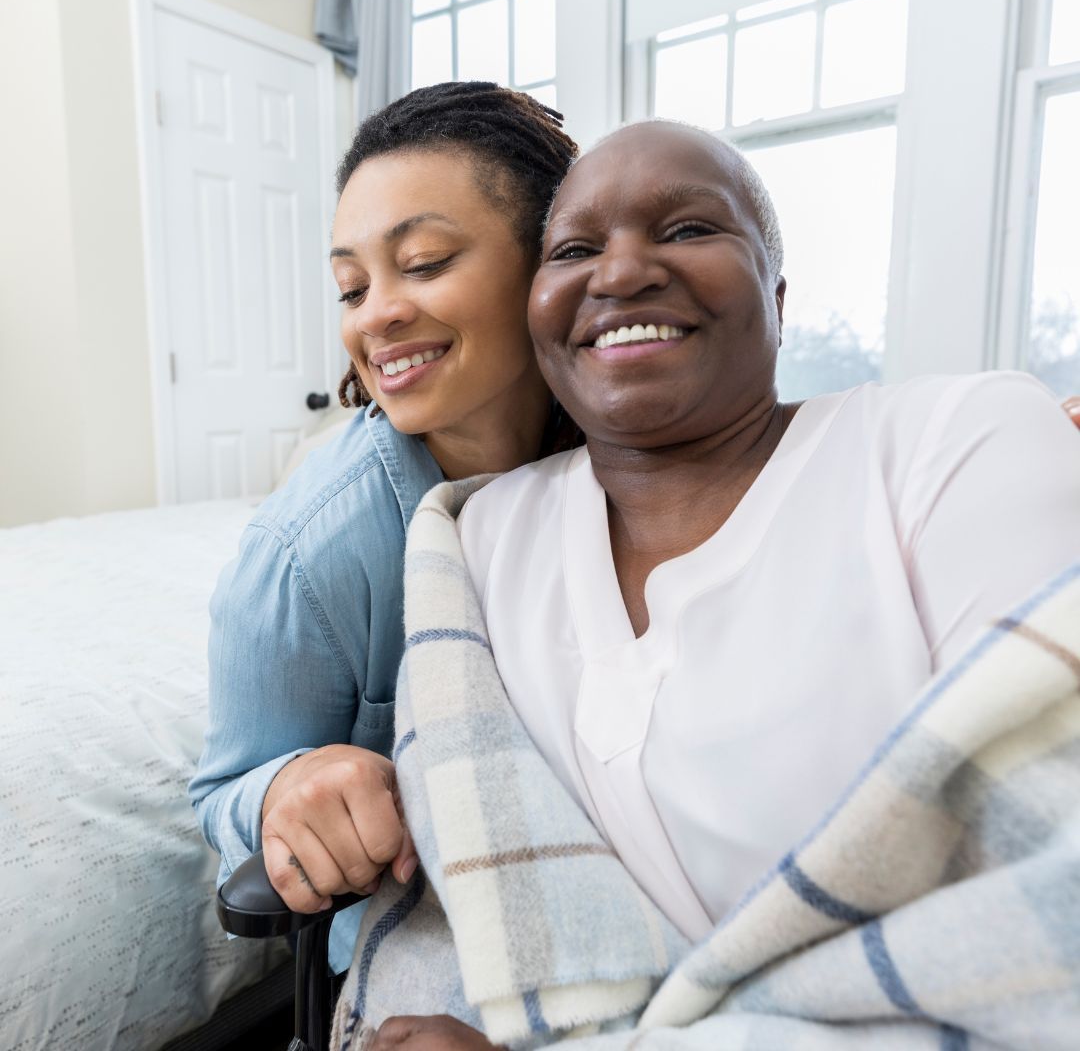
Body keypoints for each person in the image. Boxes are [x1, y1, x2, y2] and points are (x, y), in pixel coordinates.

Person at [356, 120, 1080, 1049]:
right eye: (574, 249)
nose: (618, 274)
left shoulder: (952, 445)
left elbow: (1048, 915)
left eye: (690, 229)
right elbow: (476, 895)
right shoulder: (479, 541)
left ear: (778, 295)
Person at [188, 82, 578, 975]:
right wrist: (288, 789)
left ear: (551, 258)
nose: (375, 314)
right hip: (435, 945)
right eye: (352, 286)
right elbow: (223, 788)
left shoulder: (625, 465)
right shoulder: (309, 553)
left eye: (428, 261)